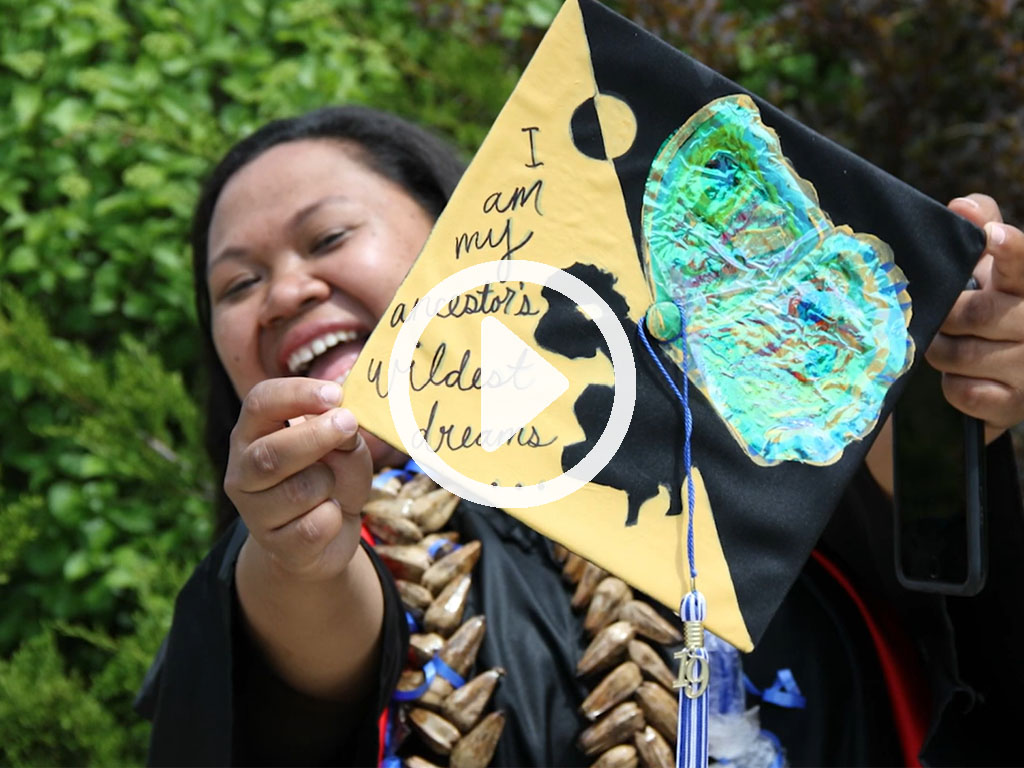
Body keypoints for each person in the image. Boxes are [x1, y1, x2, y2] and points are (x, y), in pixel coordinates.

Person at [135, 105, 1024, 767]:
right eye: (237, 285)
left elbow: (937, 554)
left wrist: (952, 378)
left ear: (458, 228)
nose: (286, 291)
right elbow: (309, 659)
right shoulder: (292, 579)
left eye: (327, 236)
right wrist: (295, 553)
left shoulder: (718, 435)